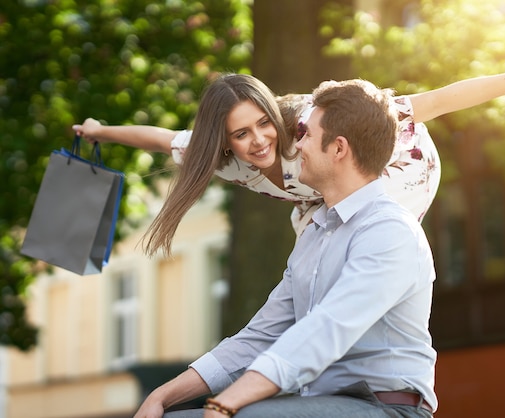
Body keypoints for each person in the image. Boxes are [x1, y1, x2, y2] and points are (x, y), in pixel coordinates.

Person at [134, 78, 437, 418]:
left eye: (307, 134)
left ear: (338, 149)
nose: (297, 144)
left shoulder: (388, 231)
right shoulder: (314, 235)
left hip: (385, 408)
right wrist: (162, 396)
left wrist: (229, 401)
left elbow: (326, 329)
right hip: (320, 404)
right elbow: (257, 338)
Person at [72, 59, 505, 257]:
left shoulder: (314, 122)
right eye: (240, 135)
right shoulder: (222, 157)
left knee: (346, 239)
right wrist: (100, 131)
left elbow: (441, 99)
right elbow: (160, 138)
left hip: (398, 168)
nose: (257, 142)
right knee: (311, 247)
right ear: (223, 141)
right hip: (325, 195)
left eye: (262, 125)